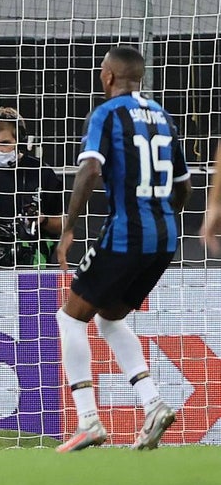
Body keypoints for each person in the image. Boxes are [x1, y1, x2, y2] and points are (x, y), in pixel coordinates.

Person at [54, 46, 190, 453]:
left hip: (127, 232)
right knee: (110, 319)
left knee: (70, 318)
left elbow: (91, 168)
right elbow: (183, 185)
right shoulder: (164, 117)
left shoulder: (106, 113)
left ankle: (88, 420)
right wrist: (159, 216)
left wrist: (68, 227)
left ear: (108, 76)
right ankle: (153, 403)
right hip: (165, 237)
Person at [0, 107, 63, 267]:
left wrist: (42, 220)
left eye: (4, 144)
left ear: (20, 141)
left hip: (30, 266)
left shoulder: (40, 172)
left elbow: (63, 222)